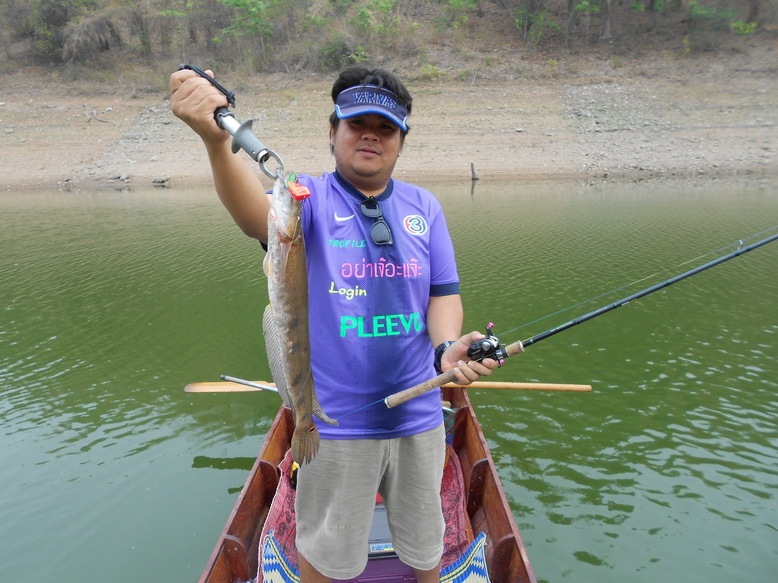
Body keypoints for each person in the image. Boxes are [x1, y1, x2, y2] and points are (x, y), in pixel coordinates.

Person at [170, 65, 499, 583]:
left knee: (427, 543)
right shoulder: (306, 198)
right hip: (331, 424)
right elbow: (257, 216)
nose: (371, 135)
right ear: (332, 132)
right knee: (326, 556)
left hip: (419, 415)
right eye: (356, 123)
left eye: (385, 128)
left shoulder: (424, 207)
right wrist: (217, 143)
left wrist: (447, 349)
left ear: (401, 141)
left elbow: (442, 294)